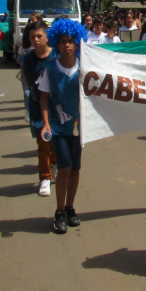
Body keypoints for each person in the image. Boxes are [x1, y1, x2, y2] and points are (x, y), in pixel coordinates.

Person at [37, 19, 88, 234]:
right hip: (58, 127)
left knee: (75, 168)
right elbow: (44, 98)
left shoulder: (85, 68)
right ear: (57, 44)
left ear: (77, 43)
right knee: (65, 166)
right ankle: (59, 212)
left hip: (79, 127)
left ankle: (70, 207)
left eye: (71, 41)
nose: (67, 45)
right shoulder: (50, 68)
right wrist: (46, 123)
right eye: (63, 41)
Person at [21, 20, 58, 196]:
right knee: (43, 143)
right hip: (38, 107)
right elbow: (28, 82)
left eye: (39, 36)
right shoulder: (26, 60)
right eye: (32, 37)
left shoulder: (57, 56)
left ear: (46, 37)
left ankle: (55, 163)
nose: (36, 40)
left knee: (58, 143)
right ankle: (45, 178)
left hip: (59, 107)